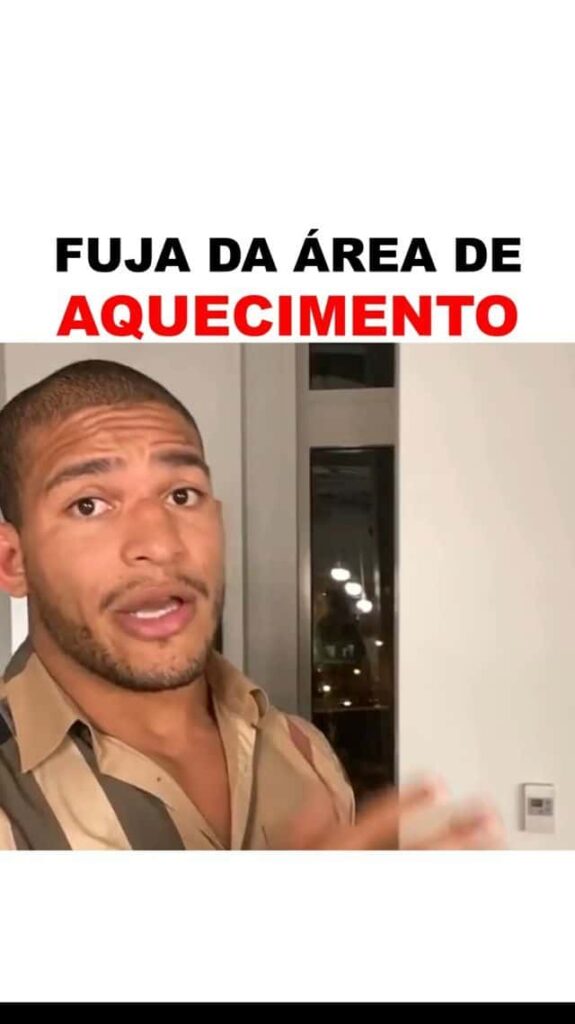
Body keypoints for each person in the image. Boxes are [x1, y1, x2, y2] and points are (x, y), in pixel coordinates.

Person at [0, 359, 502, 850]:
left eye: (182, 496)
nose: (162, 544)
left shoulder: (303, 752)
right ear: (12, 561)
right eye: (88, 505)